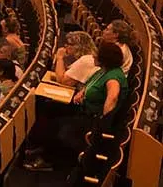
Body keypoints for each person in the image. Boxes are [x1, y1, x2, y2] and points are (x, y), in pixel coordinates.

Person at [25, 42, 127, 172]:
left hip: (93, 118)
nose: (93, 56)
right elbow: (92, 83)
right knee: (49, 107)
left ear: (104, 58)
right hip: (83, 108)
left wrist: (104, 120)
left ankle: (48, 160)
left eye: (96, 55)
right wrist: (83, 91)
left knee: (60, 126)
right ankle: (41, 146)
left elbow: (113, 97)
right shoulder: (103, 71)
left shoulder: (114, 77)